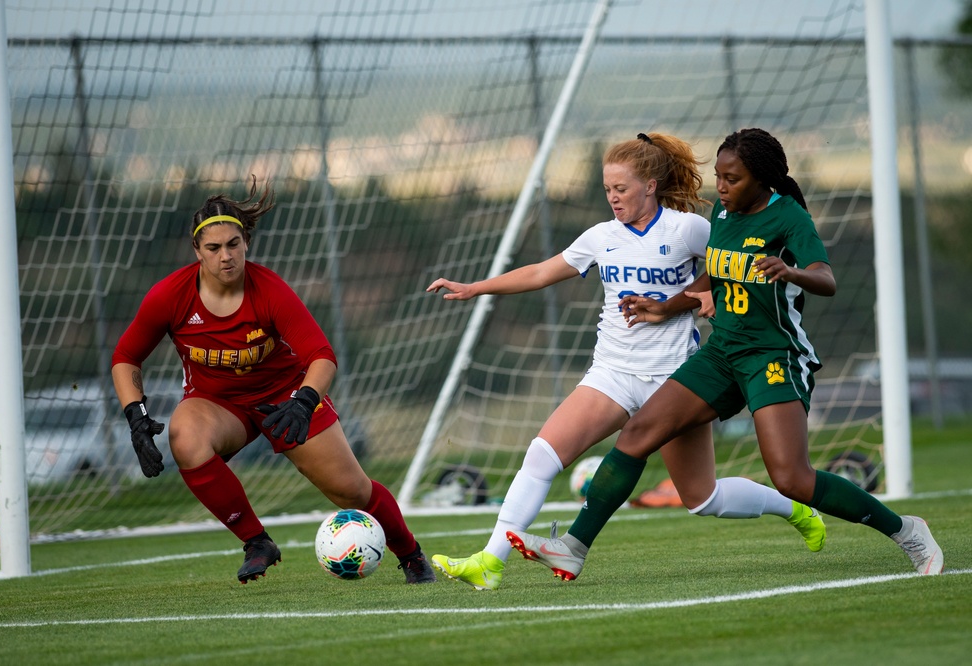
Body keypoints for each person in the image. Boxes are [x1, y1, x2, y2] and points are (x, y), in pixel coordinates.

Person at [508, 128, 944, 580]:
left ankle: (906, 529)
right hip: (721, 352)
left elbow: (826, 279)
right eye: (718, 176)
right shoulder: (722, 212)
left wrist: (790, 270)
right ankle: (573, 547)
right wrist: (666, 306)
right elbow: (712, 278)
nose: (721, 187)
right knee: (637, 433)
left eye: (732, 178)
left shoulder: (789, 218)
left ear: (762, 179)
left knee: (792, 478)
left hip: (772, 355)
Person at [425, 132, 825, 591]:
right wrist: (475, 288)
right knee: (541, 455)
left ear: (651, 185)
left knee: (702, 498)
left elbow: (738, 254)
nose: (613, 198)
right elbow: (540, 272)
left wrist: (708, 293)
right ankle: (489, 562)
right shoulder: (601, 237)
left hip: (676, 378)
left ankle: (792, 507)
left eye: (622, 188)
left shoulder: (686, 228)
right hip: (612, 372)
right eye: (607, 190)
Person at [111, 178, 436, 585]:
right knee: (185, 436)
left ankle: (411, 555)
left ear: (246, 242)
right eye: (213, 248)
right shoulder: (170, 296)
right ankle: (256, 542)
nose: (225, 256)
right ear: (197, 251)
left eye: (233, 244)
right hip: (217, 404)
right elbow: (125, 357)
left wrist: (304, 402)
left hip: (285, 399)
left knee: (351, 492)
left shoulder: (270, 291)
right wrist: (135, 416)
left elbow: (322, 356)